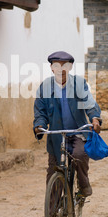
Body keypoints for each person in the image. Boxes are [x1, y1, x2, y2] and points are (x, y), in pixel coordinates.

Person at [33, 51, 102, 198]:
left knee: (80, 155)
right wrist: (39, 125)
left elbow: (90, 104)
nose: (61, 69)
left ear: (70, 68)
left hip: (77, 132)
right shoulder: (45, 86)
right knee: (53, 171)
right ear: (52, 68)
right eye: (57, 66)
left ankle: (83, 185)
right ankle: (52, 216)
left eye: (65, 66)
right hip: (57, 136)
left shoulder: (78, 83)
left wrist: (95, 118)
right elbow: (40, 111)